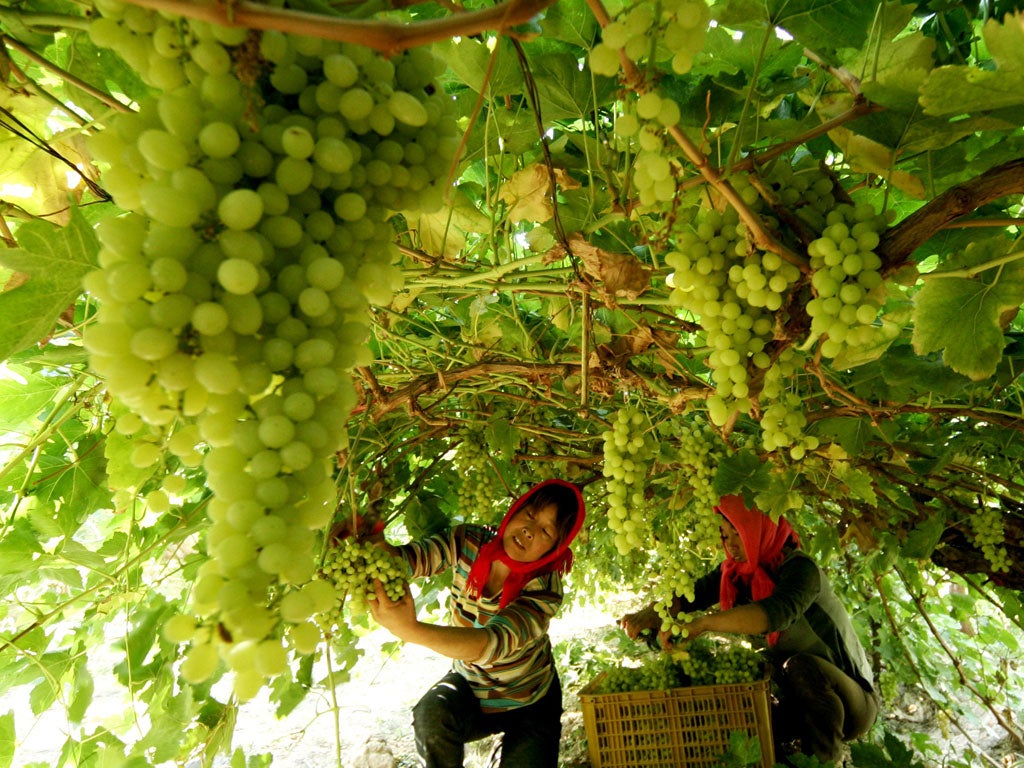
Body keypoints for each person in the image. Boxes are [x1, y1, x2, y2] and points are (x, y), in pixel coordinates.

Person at [620, 494, 879, 764]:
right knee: (743, 700)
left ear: (759, 529)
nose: (731, 544)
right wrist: (650, 614)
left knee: (801, 666)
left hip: (853, 704)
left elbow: (775, 614)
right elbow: (689, 596)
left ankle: (827, 763)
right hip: (798, 700)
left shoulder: (801, 569)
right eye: (725, 534)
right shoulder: (739, 574)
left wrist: (704, 623)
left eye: (739, 533)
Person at [365, 478, 586, 768]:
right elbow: (406, 561)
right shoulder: (469, 542)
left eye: (545, 530)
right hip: (471, 686)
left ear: (555, 547)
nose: (529, 531)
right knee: (432, 715)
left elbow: (490, 644)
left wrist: (411, 630)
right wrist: (371, 531)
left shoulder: (544, 587)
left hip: (530, 702)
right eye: (530, 515)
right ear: (515, 509)